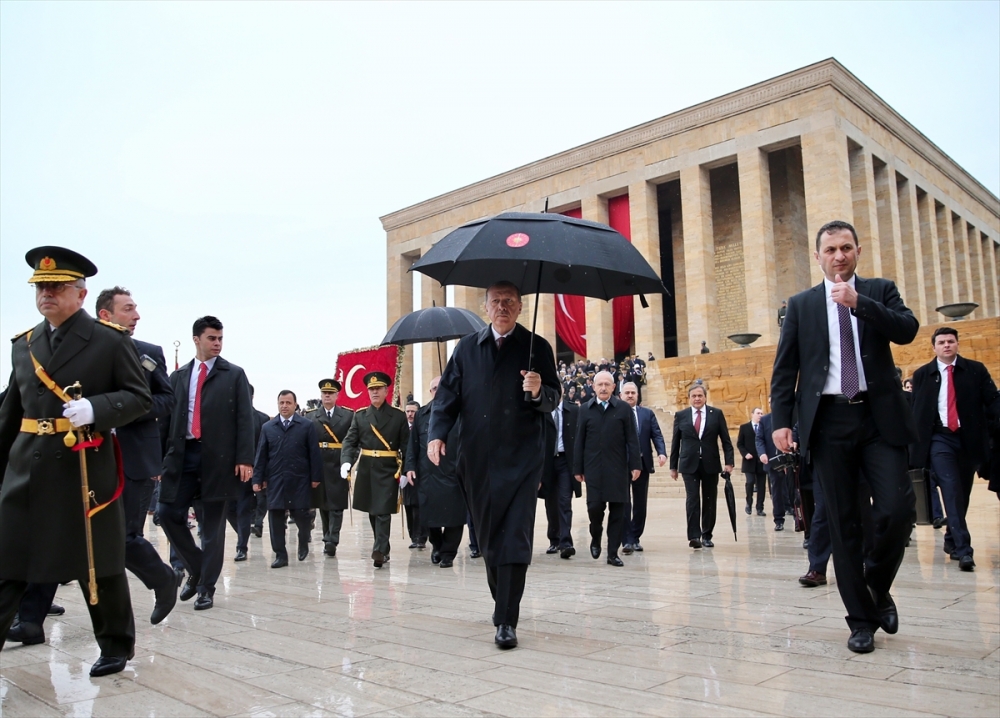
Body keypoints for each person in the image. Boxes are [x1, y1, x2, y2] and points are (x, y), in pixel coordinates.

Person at [0, 246, 152, 677]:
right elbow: (11, 412)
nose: (46, 294)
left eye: (56, 287)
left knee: (97, 563)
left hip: (82, 467)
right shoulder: (24, 345)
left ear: (80, 295)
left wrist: (98, 408)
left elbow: (140, 397)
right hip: (27, 468)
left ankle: (116, 645)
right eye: (40, 287)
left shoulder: (109, 340)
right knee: (9, 558)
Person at [770, 219, 918, 654]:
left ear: (858, 251)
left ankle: (875, 586)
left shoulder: (880, 289)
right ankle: (861, 620)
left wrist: (860, 304)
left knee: (896, 511)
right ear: (817, 256)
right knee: (844, 524)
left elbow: (907, 330)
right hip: (829, 422)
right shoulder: (800, 306)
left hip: (878, 418)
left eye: (846, 248)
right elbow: (786, 369)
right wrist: (782, 420)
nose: (839, 256)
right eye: (830, 249)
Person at [428, 280, 560, 649]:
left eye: (509, 302)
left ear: (520, 308)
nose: (502, 307)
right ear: (485, 308)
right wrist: (436, 435)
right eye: (496, 302)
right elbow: (447, 399)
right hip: (477, 461)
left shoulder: (538, 348)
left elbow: (553, 398)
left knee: (514, 538)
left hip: (521, 461)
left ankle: (506, 620)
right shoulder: (467, 349)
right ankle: (502, 601)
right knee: (488, 541)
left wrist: (538, 390)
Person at [94, 287, 179, 624]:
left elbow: (166, 399)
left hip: (134, 456)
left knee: (126, 536)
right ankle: (31, 614)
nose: (137, 316)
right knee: (72, 534)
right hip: (89, 455)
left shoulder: (148, 353)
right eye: (128, 309)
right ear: (106, 315)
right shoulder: (85, 353)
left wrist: (126, 410)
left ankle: (163, 579)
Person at [159, 316, 255, 611]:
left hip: (219, 460)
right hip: (182, 457)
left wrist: (244, 459)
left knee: (211, 527)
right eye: (212, 338)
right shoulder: (178, 377)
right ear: (196, 339)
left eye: (220, 339)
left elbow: (244, 419)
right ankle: (197, 566)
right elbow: (166, 421)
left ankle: (206, 588)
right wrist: (158, 462)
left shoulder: (234, 374)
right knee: (167, 513)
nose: (217, 344)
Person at [908, 327, 1000, 572]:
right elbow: (916, 412)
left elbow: (992, 401)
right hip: (940, 439)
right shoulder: (922, 375)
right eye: (941, 342)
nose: (946, 345)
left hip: (968, 441)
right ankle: (964, 549)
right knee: (950, 489)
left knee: (963, 493)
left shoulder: (975, 370)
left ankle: (950, 540)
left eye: (950, 341)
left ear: (957, 344)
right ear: (934, 347)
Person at [341, 372, 409, 568]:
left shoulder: (397, 416)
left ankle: (379, 549)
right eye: (371, 389)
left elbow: (406, 445)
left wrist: (406, 469)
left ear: (386, 390)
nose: (374, 392)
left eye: (378, 388)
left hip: (388, 469)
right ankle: (383, 548)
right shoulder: (361, 416)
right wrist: (346, 461)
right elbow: (350, 441)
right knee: (373, 510)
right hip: (367, 468)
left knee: (382, 511)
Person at [574, 371, 641, 566]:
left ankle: (612, 552)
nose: (603, 388)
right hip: (593, 469)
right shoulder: (585, 409)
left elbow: (632, 439)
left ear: (614, 387)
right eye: (599, 384)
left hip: (618, 469)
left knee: (618, 512)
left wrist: (636, 464)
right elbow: (579, 440)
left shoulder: (623, 409)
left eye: (607, 384)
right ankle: (595, 536)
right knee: (595, 508)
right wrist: (577, 468)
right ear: (593, 387)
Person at [253, 391, 323, 567]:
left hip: (299, 479)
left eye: (288, 403)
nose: (284, 406)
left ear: (295, 405)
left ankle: (303, 541)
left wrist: (316, 477)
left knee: (301, 515)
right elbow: (261, 456)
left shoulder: (306, 426)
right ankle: (280, 555)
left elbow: (314, 454)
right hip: (276, 480)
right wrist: (257, 479)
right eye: (281, 402)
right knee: (275, 518)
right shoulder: (268, 427)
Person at [404, 376, 465, 568]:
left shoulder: (461, 411)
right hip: (428, 473)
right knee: (429, 516)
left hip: (454, 472)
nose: (437, 390)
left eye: (442, 386)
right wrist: (410, 467)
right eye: (434, 388)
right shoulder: (422, 414)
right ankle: (437, 546)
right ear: (430, 392)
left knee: (455, 517)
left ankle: (448, 553)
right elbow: (412, 445)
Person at [669, 384, 734, 549]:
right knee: (692, 499)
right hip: (688, 463)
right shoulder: (681, 415)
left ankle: (707, 534)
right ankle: (694, 536)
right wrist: (673, 466)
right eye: (694, 396)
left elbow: (726, 440)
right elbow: (676, 442)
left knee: (709, 498)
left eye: (700, 395)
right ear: (689, 398)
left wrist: (729, 462)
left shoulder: (716, 414)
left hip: (710, 463)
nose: (697, 399)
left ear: (705, 397)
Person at [308, 379, 353, 557]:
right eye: (324, 393)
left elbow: (353, 442)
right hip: (319, 463)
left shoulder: (348, 416)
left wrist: (349, 462)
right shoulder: (311, 416)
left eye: (331, 393)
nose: (327, 395)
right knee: (322, 504)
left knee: (336, 504)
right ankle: (327, 537)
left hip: (338, 463)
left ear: (336, 395)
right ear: (321, 395)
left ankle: (332, 539)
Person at [619, 382, 666, 553]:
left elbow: (657, 434)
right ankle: (626, 539)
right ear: (621, 395)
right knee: (624, 503)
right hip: (622, 465)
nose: (630, 395)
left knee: (640, 503)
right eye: (627, 393)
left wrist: (662, 452)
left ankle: (635, 537)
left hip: (642, 464)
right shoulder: (615, 413)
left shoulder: (647, 414)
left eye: (633, 393)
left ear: (638, 395)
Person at [542, 386, 580, 559]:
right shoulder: (542, 410)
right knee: (551, 503)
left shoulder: (573, 410)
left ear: (562, 390)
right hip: (548, 462)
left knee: (565, 500)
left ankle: (566, 543)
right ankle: (554, 539)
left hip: (566, 461)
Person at [755, 404, 788, 531]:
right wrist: (762, 453)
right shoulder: (765, 420)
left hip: (790, 459)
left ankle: (798, 516)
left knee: (794, 490)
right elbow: (759, 439)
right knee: (777, 491)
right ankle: (779, 519)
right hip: (773, 461)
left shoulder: (789, 416)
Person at [402, 400, 427, 549]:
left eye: (413, 411)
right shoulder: (403, 429)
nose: (410, 414)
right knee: (408, 504)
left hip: (421, 472)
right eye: (408, 411)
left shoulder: (421, 427)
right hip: (405, 472)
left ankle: (421, 537)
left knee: (419, 505)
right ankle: (413, 535)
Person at [738, 408, 767, 517]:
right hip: (749, 461)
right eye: (758, 413)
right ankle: (748, 503)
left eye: (761, 413)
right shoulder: (744, 427)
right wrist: (745, 454)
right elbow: (740, 443)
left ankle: (760, 507)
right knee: (750, 482)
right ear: (752, 414)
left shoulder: (764, 427)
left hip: (761, 461)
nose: (760, 415)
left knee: (761, 485)